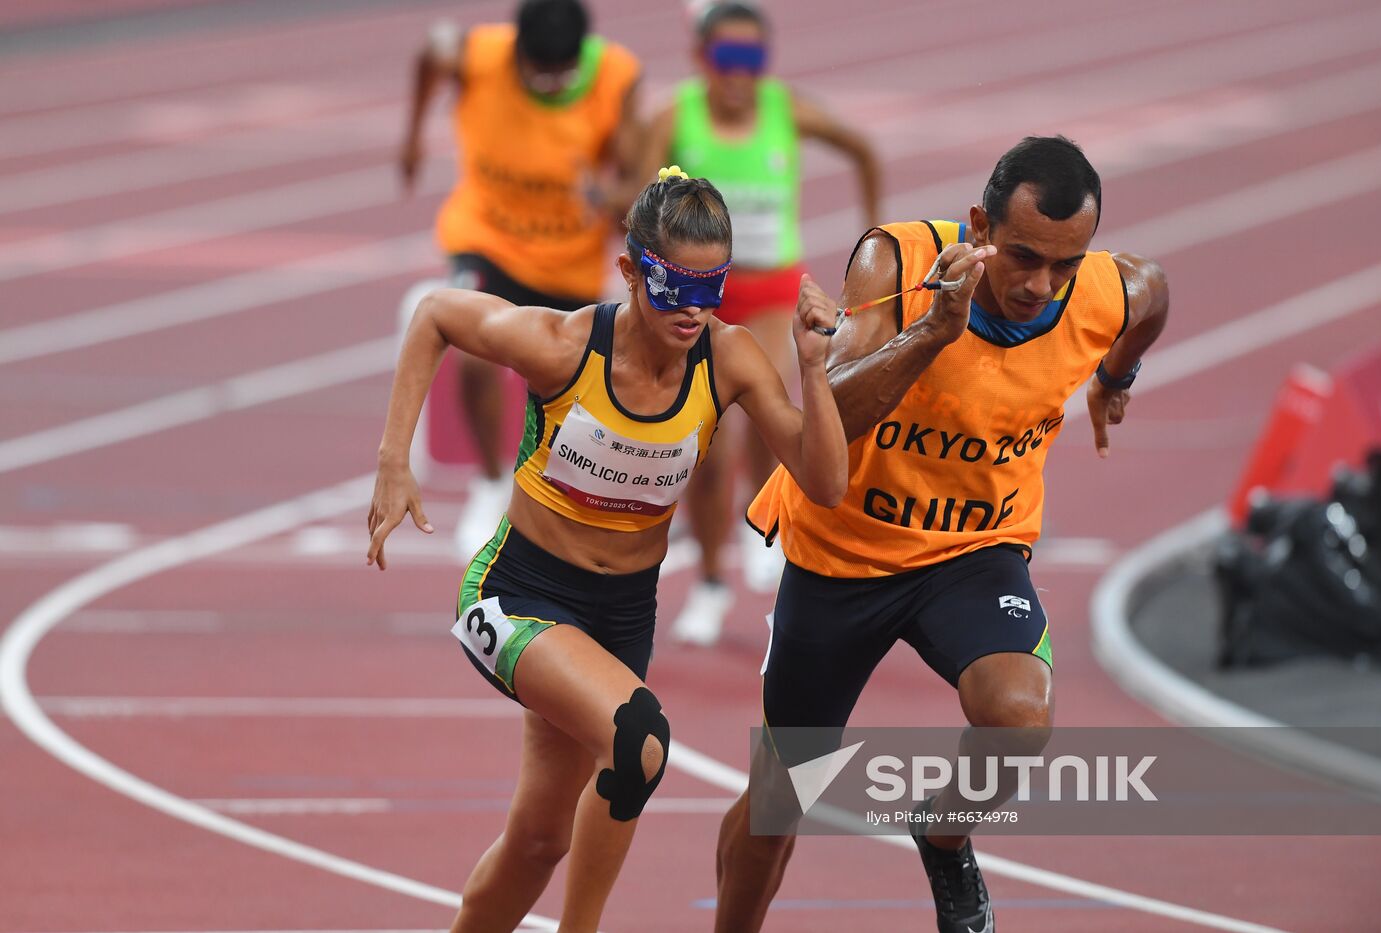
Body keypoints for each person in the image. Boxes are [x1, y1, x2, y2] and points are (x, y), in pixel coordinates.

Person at [366, 168, 848, 933]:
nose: (693, 309)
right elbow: (433, 316)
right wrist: (395, 458)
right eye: (673, 287)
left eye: (710, 288)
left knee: (538, 840)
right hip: (517, 591)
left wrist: (815, 370)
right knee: (639, 740)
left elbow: (824, 482)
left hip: (622, 617)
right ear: (630, 271)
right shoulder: (563, 346)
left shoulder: (727, 359)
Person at [715, 136, 1171, 933]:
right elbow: (830, 424)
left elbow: (1152, 300)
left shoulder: (1115, 290)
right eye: (1024, 256)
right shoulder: (893, 262)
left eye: (1066, 263)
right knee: (785, 792)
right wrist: (933, 331)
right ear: (978, 227)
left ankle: (944, 828)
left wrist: (1115, 380)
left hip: (971, 553)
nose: (1042, 284)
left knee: (1021, 717)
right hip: (842, 554)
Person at [636, 1, 880, 645]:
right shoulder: (673, 119)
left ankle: (762, 528)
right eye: (728, 59)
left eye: (754, 59)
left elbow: (862, 149)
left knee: (759, 410)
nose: (741, 74)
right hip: (701, 299)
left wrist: (874, 242)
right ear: (702, 59)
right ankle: (713, 581)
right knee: (705, 453)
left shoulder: (787, 111)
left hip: (774, 294)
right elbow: (635, 206)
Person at [399, 0, 642, 558]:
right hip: (489, 239)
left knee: (577, 399)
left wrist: (607, 197)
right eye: (540, 73)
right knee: (473, 354)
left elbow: (632, 176)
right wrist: (413, 133)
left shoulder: (616, 74)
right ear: (517, 55)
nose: (553, 84)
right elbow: (429, 56)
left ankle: (577, 507)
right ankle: (489, 482)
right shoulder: (480, 55)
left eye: (564, 74)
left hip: (570, 260)